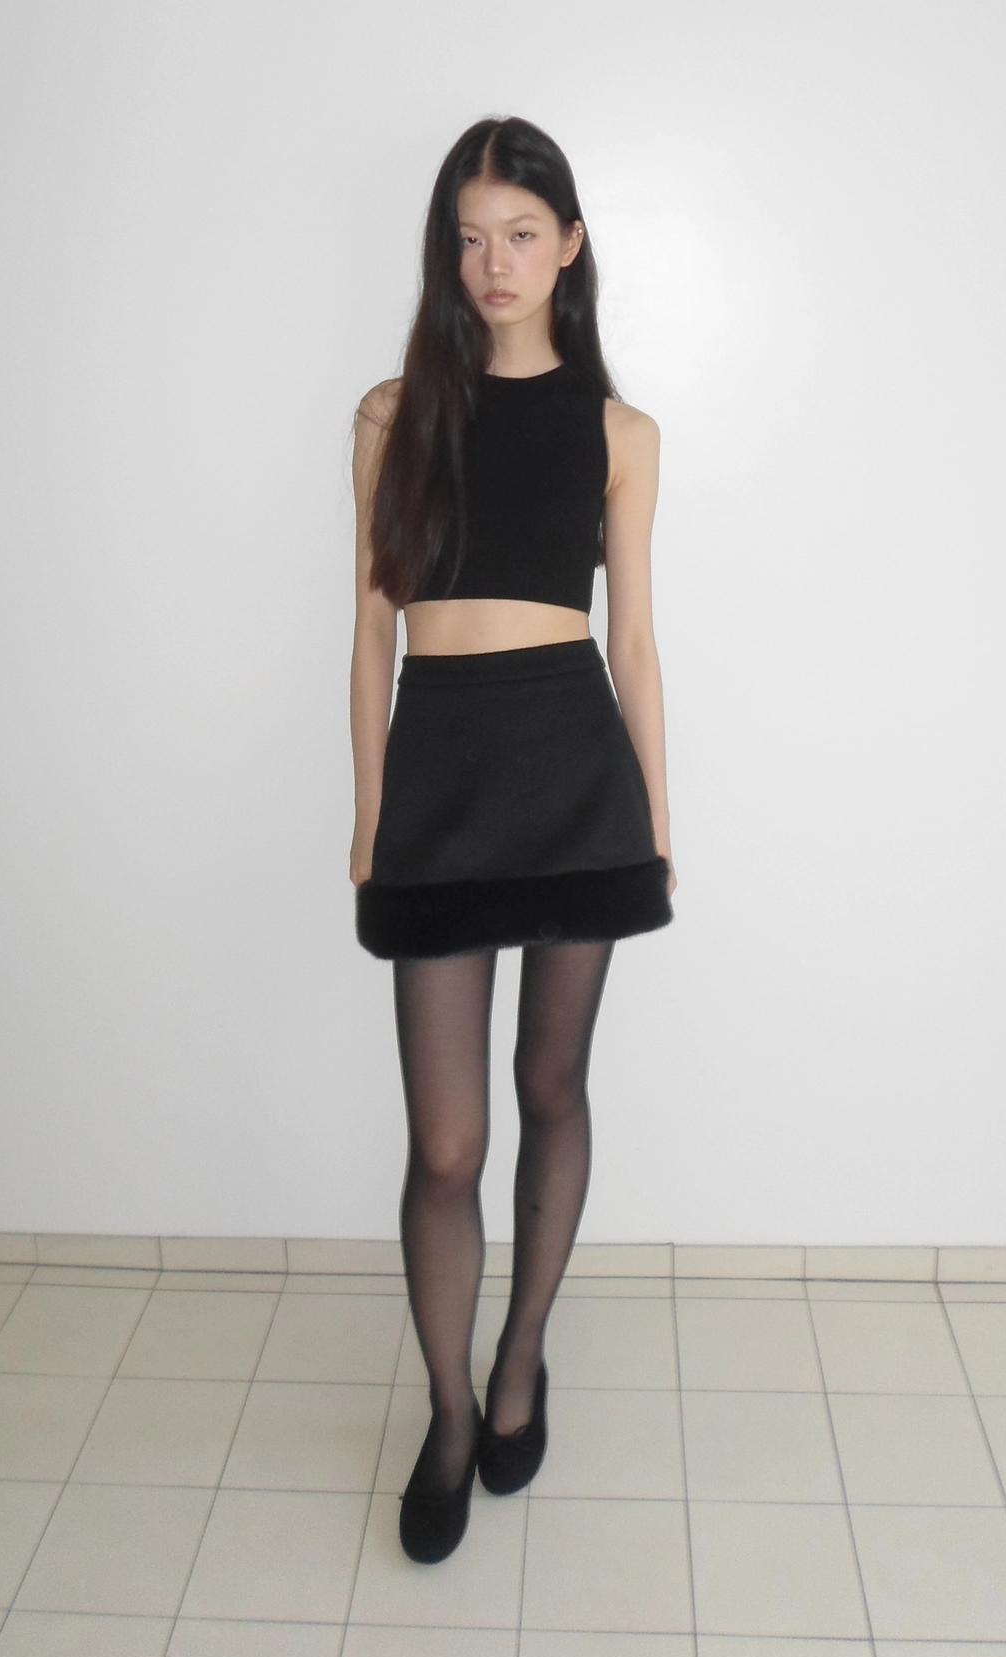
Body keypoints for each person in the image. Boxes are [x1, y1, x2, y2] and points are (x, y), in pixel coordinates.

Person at [348, 115, 676, 1564]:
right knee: (446, 1143)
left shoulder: (620, 432)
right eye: (471, 238)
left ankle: (520, 1361)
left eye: (522, 235)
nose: (494, 263)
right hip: (440, 775)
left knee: (553, 1087)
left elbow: (637, 646)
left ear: (570, 246)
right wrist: (370, 817)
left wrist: (654, 822)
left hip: (572, 773)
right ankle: (445, 1413)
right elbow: (369, 639)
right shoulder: (392, 415)